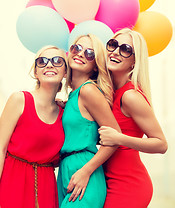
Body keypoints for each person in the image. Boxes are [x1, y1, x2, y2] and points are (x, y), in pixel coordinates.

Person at [98, 28, 168, 208]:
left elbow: (161, 144)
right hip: (107, 181)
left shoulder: (130, 96)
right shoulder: (109, 93)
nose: (115, 52)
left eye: (126, 49)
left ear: (134, 62)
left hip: (128, 185)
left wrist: (119, 138)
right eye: (113, 45)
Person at [57, 34, 121, 208]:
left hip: (85, 170)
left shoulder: (89, 91)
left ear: (95, 66)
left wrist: (86, 171)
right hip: (66, 170)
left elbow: (115, 138)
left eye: (89, 53)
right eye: (76, 48)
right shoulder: (73, 96)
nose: (80, 54)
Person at [0, 45, 67, 208]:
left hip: (47, 185)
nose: (49, 65)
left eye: (57, 61)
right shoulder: (19, 100)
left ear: (66, 72)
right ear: (36, 72)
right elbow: (0, 148)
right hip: (13, 179)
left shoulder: (65, 113)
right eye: (42, 61)